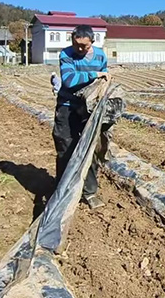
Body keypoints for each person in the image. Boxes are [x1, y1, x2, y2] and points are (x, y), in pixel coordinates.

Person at [52, 24, 109, 209]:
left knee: (90, 149)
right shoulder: (66, 54)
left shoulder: (100, 55)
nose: (79, 49)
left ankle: (89, 192)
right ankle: (63, 190)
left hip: (89, 109)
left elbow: (105, 79)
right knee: (65, 148)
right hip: (67, 107)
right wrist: (95, 74)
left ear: (92, 42)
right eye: (76, 44)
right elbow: (69, 81)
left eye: (84, 46)